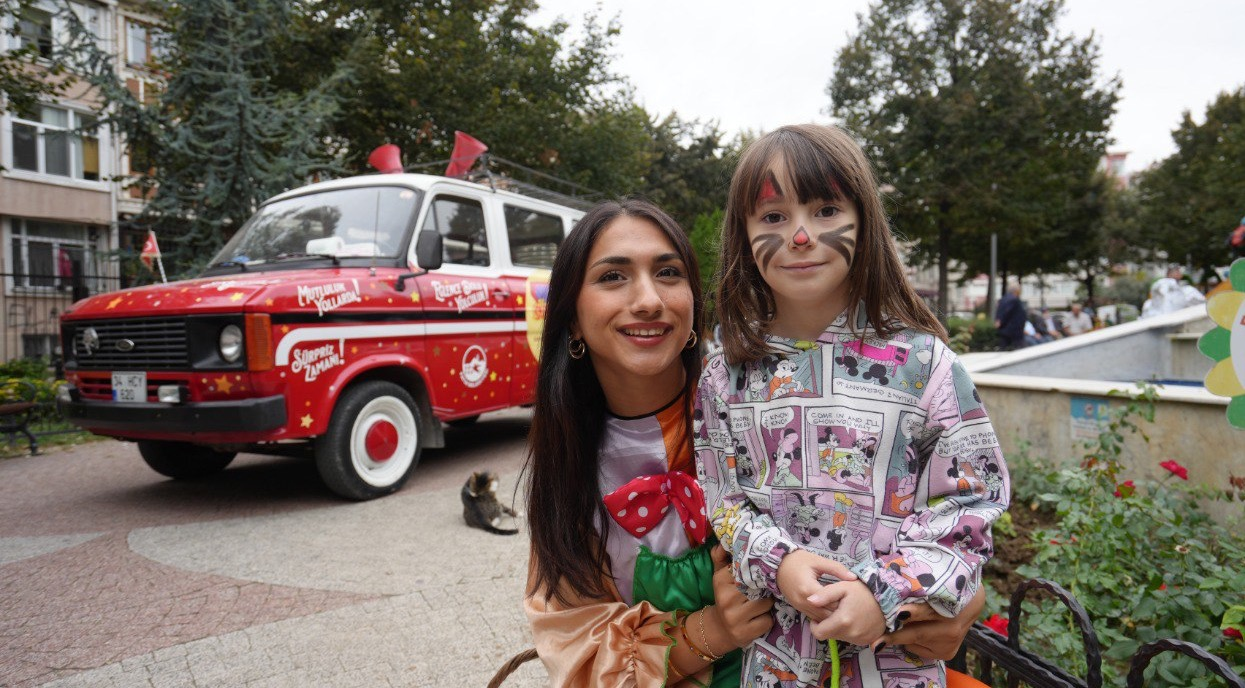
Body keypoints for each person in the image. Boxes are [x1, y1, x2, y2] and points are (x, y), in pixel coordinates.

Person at [524, 198, 987, 687]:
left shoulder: (760, 413)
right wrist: (712, 631)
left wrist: (936, 610)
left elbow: (936, 518)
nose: (647, 300)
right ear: (571, 317)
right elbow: (576, 649)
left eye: (668, 272)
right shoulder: (568, 470)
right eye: (612, 277)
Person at [695, 124, 1009, 688]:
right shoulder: (724, 374)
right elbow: (724, 499)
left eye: (824, 209)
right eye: (772, 217)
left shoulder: (926, 366)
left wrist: (885, 594)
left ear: (863, 222)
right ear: (742, 235)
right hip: (776, 668)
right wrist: (779, 562)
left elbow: (971, 503)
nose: (798, 236)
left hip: (898, 670)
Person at [993, 283, 1027, 350]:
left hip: (1006, 329)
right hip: (1014, 330)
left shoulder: (1004, 299)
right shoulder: (1013, 300)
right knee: (1020, 349)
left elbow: (1000, 311)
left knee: (1003, 348)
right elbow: (1006, 312)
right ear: (1017, 291)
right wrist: (1000, 320)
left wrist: (999, 320)